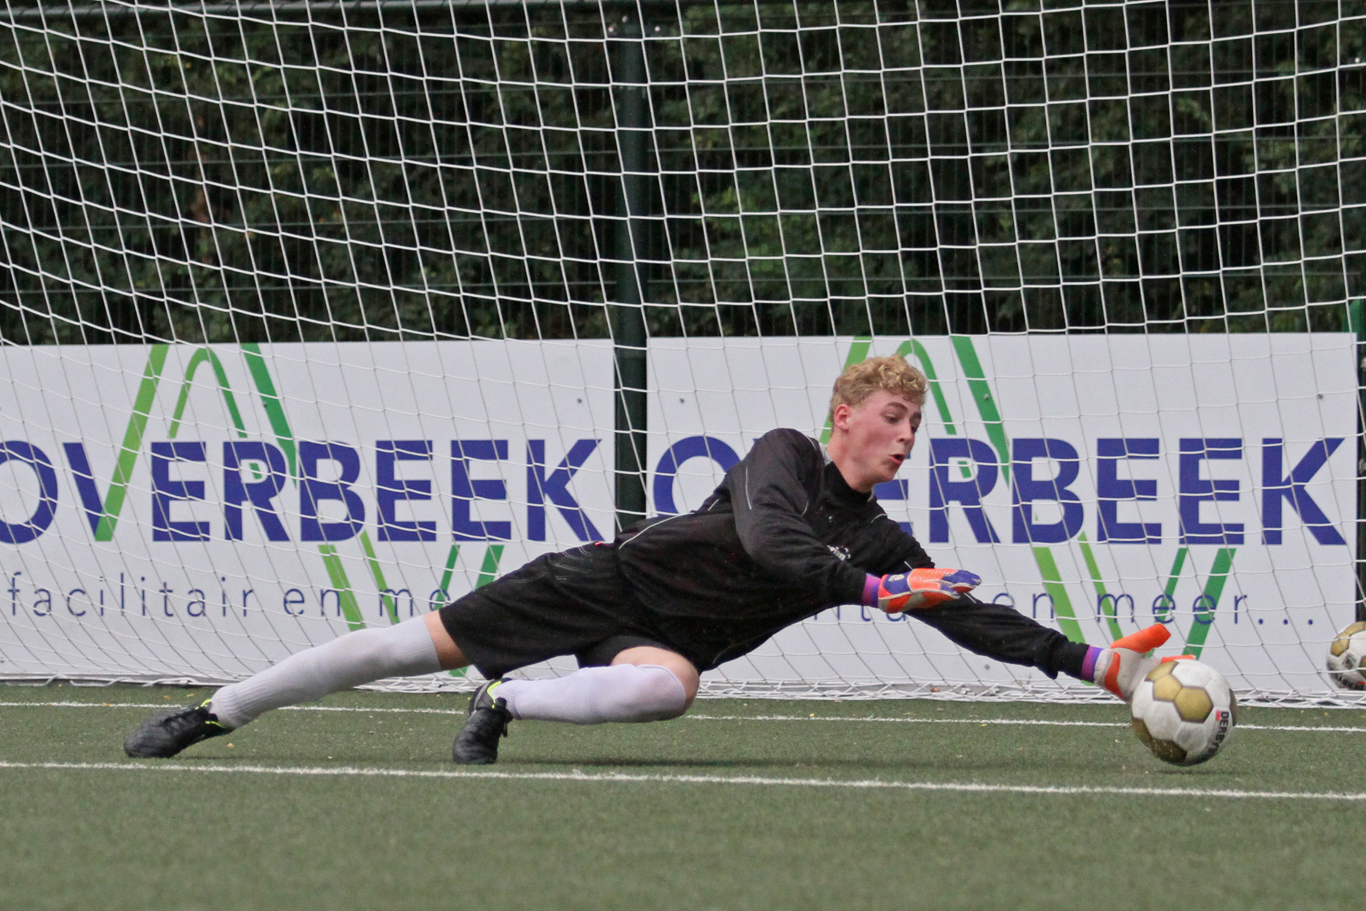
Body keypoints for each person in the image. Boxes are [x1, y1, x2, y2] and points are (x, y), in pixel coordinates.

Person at [124, 355, 1177, 764]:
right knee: (404, 646)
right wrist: (875, 589)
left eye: (916, 426)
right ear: (844, 417)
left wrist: (1094, 664)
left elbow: (963, 614)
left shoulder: (884, 540)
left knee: (668, 690)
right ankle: (215, 711)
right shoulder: (784, 455)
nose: (906, 438)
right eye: (893, 419)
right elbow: (773, 543)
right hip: (601, 580)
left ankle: (503, 708)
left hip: (655, 636)